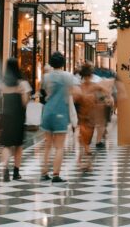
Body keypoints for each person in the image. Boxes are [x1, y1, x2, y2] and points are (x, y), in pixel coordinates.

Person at [40, 52, 73, 182]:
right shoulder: (68, 76)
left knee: (47, 145)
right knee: (59, 146)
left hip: (47, 112)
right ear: (63, 63)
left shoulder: (46, 77)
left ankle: (44, 173)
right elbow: (73, 91)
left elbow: (44, 91)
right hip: (60, 112)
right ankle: (56, 175)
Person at [0, 58, 30, 181]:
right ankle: (16, 172)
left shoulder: (2, 83)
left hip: (6, 116)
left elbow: (0, 98)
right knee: (18, 145)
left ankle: (5, 169)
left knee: (6, 145)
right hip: (18, 117)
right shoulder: (22, 84)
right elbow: (25, 102)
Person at [73, 64, 108, 173]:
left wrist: (102, 101)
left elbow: (106, 92)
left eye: (89, 76)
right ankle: (86, 162)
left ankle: (86, 160)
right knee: (83, 139)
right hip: (83, 116)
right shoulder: (81, 87)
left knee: (85, 140)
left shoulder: (90, 86)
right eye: (87, 76)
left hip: (89, 117)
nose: (88, 78)